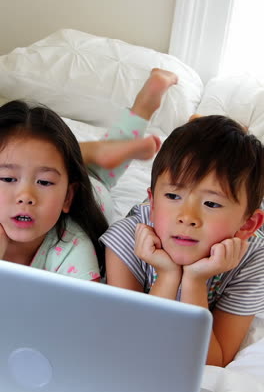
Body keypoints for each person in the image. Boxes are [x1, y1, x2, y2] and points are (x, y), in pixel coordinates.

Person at [101, 115, 264, 367]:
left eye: (211, 203)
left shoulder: (252, 260)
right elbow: (135, 343)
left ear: (247, 225)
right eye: (172, 196)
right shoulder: (127, 240)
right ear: (153, 204)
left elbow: (212, 363)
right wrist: (166, 275)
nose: (187, 217)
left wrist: (195, 282)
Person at [0, 68, 178, 280]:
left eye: (44, 182)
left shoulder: (73, 246)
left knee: (99, 173)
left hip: (93, 188)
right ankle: (93, 151)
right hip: (68, 170)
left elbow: (85, 310)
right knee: (51, 160)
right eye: (8, 179)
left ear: (67, 197)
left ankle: (141, 109)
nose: (25, 196)